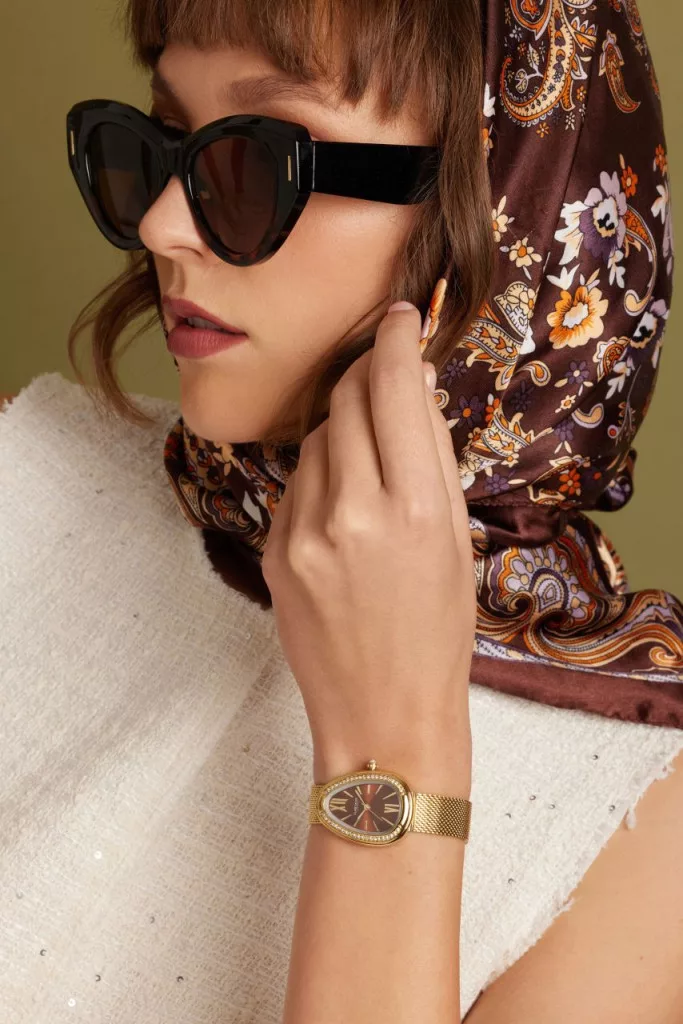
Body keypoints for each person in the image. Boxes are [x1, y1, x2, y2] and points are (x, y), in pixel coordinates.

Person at [14, 0, 679, 1019]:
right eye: (162, 139)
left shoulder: (630, 819)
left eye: (259, 157)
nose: (159, 224)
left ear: (513, 212)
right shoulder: (27, 473)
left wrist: (394, 746)